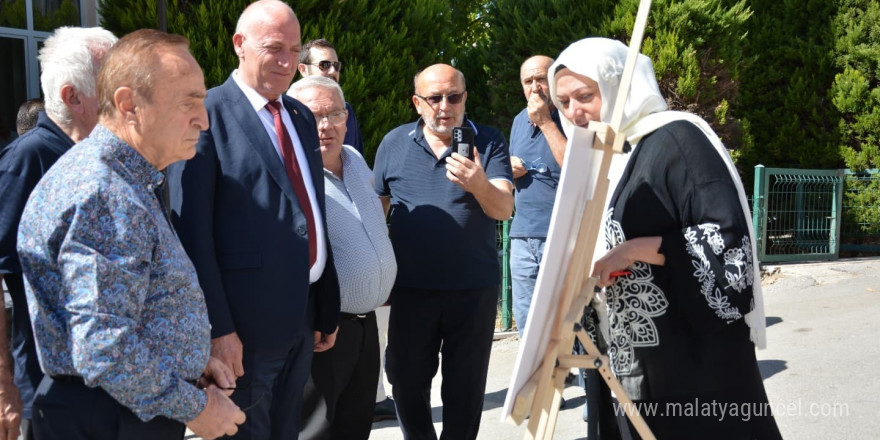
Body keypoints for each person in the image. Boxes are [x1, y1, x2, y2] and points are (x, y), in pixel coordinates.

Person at [15, 29, 246, 440]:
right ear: (129, 106)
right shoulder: (105, 192)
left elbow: (128, 311)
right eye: (188, 102)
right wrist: (198, 408)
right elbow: (105, 347)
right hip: (110, 417)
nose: (204, 118)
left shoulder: (125, 181)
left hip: (122, 409)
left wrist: (187, 362)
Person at [550, 37, 782, 439]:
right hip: (634, 357)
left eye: (585, 96)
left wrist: (635, 250)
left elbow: (727, 243)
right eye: (563, 103)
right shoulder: (612, 155)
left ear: (617, 85)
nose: (575, 113)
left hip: (693, 358)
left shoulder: (679, 140)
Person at [167, 1, 341, 438]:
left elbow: (310, 212)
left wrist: (325, 301)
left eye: (294, 50)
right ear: (239, 45)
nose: (287, 62)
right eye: (274, 48)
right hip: (241, 334)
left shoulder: (299, 115)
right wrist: (217, 330)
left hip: (301, 319)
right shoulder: (206, 116)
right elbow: (193, 236)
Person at [373, 63, 514, 440]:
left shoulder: (488, 140)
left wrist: (479, 183)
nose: (444, 106)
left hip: (472, 288)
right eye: (434, 98)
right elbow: (378, 209)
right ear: (417, 102)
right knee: (403, 380)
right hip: (410, 288)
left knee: (464, 389)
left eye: (454, 96)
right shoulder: (394, 142)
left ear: (465, 97)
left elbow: (503, 209)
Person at [0, 26, 116, 440]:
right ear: (72, 97)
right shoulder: (29, 159)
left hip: (105, 389)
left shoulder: (105, 159)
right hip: (50, 395)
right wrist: (4, 386)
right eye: (112, 83)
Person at [289, 76, 396, 440]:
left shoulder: (354, 159)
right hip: (325, 329)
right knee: (317, 429)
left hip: (368, 325)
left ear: (346, 117)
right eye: (312, 116)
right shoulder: (293, 174)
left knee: (357, 424)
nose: (325, 126)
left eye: (334, 115)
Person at [508, 55, 566, 335]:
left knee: (565, 323)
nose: (535, 87)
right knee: (528, 324)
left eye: (541, 78)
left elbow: (576, 166)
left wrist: (545, 121)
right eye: (528, 81)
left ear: (555, 79)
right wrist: (508, 169)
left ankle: (576, 379)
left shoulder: (570, 115)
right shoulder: (519, 120)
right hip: (521, 236)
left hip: (561, 234)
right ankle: (534, 379)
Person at [293, 38, 364, 154]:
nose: (333, 71)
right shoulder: (289, 111)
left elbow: (355, 156)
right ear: (303, 69)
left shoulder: (346, 111)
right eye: (324, 65)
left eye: (336, 65)